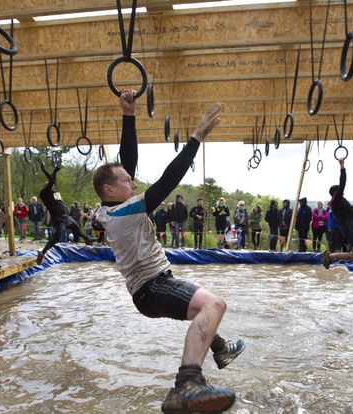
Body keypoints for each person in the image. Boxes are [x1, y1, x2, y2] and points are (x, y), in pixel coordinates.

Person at [92, 90, 243, 413]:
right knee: (214, 304)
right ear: (110, 190)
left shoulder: (107, 210)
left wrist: (128, 115)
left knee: (199, 309)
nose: (134, 184)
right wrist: (197, 137)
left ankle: (219, 348)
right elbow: (168, 181)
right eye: (127, 182)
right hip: (153, 286)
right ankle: (187, 384)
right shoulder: (126, 213)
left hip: (148, 291)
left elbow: (125, 164)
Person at [36, 162, 93, 264]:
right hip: (59, 220)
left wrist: (49, 171)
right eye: (52, 186)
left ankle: (87, 239)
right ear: (48, 187)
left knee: (77, 228)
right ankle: (42, 254)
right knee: (55, 239)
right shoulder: (44, 194)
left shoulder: (54, 193)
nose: (54, 187)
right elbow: (51, 181)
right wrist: (53, 171)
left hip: (67, 218)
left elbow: (52, 180)